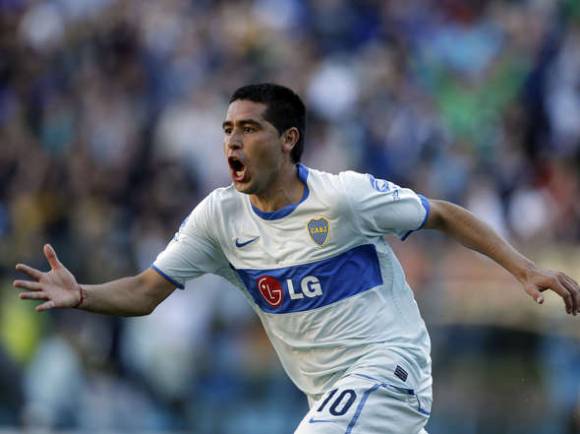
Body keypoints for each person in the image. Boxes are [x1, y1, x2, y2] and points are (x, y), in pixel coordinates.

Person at [14, 83, 579, 434]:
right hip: (332, 398)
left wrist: (524, 268)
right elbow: (145, 291)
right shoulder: (218, 218)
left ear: (288, 140)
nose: (232, 142)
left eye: (249, 129)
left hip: (390, 370)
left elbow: (444, 214)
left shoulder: (344, 197)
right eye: (227, 130)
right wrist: (82, 295)